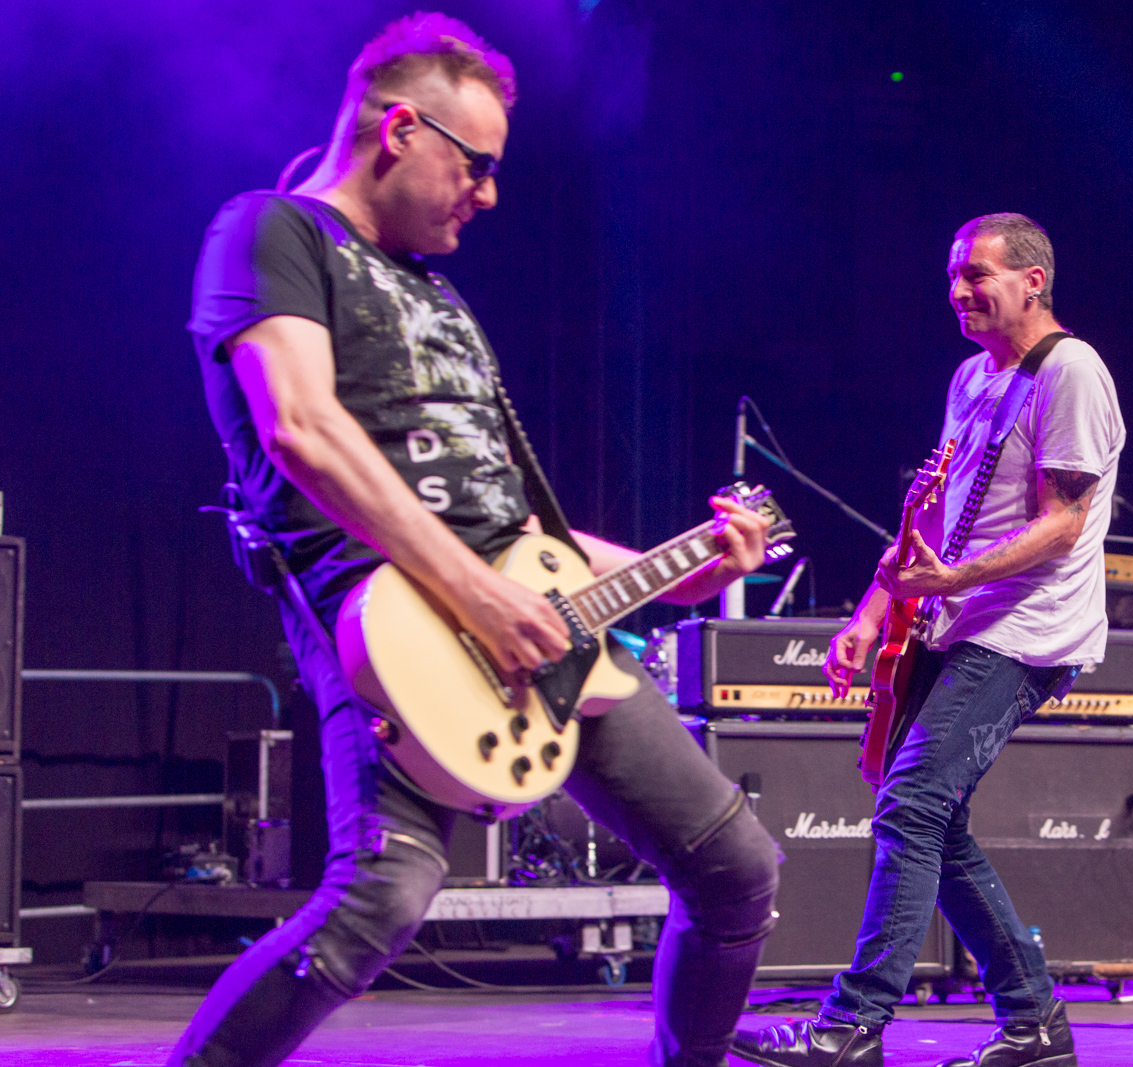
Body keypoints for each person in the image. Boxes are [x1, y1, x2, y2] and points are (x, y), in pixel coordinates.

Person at [178, 14, 779, 1067]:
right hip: (390, 620)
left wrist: (671, 573)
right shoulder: (272, 231)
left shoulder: (444, 298)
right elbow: (303, 431)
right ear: (400, 127)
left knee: (737, 867)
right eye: (477, 164)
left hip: (523, 623)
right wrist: (475, 597)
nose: (489, 194)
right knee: (379, 899)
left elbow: (515, 530)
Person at [733, 213, 1124, 1067]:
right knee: (933, 824)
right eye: (953, 276)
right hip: (959, 618)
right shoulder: (971, 380)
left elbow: (1065, 524)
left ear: (1032, 281)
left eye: (977, 275)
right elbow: (934, 518)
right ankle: (1036, 1026)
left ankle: (852, 1024)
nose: (958, 292)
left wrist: (950, 582)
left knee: (909, 804)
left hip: (1025, 628)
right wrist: (873, 610)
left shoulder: (1073, 371)